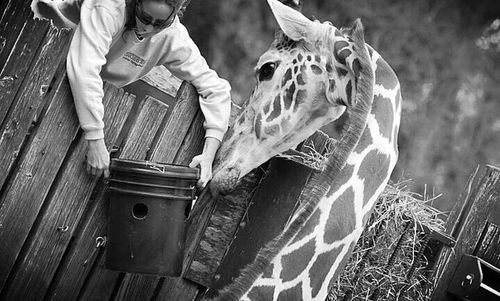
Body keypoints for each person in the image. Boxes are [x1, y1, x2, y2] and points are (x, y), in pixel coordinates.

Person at [32, 0, 231, 188]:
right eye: (144, 17)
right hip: (39, 59)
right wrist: (95, 140)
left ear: (174, 15)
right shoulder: (108, 6)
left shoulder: (173, 36)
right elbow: (85, 70)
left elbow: (216, 89)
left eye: (159, 23)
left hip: (80, 103)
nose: (149, 29)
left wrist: (208, 155)